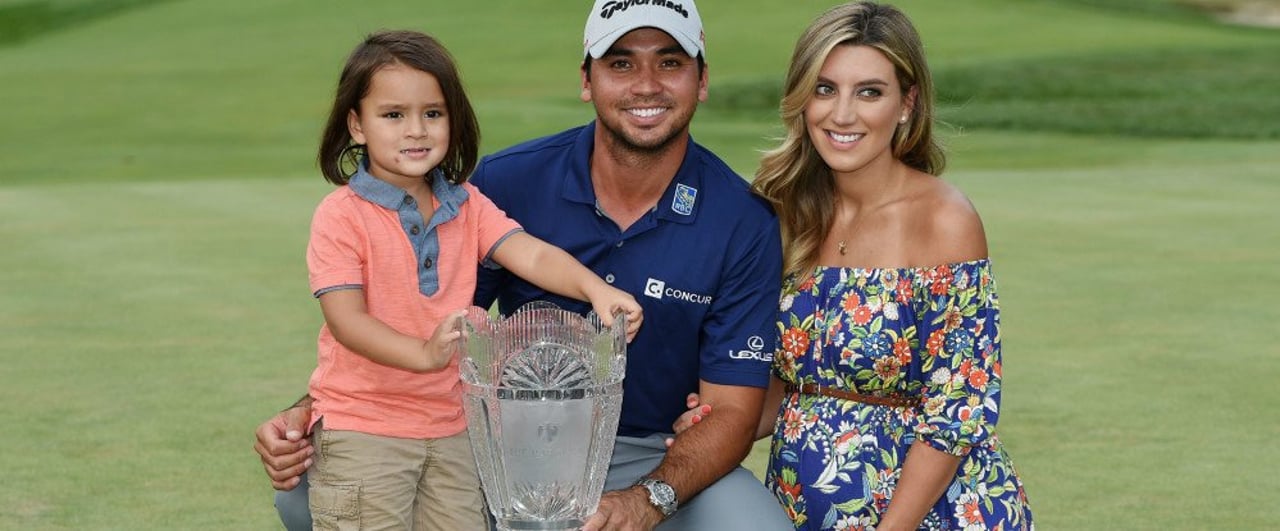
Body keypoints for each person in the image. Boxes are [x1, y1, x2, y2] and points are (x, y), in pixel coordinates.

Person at [256, 2, 793, 530]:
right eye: (621, 63)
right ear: (587, 80)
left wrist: (644, 502)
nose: (646, 83)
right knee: (311, 490)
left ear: (702, 80)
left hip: (652, 453)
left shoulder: (742, 219)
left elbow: (732, 412)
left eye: (670, 62)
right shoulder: (507, 181)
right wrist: (311, 409)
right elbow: (426, 318)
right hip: (510, 445)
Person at [672, 2, 1034, 529]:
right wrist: (717, 423)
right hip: (804, 506)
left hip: (933, 515)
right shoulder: (786, 213)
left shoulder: (944, 220)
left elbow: (957, 412)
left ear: (907, 102)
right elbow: (795, 381)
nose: (842, 114)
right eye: (825, 89)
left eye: (869, 92)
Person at [298, 29, 642, 530]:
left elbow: (531, 254)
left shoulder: (467, 205)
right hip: (365, 429)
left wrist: (596, 289)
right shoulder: (341, 216)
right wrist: (423, 354)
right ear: (357, 124)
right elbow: (347, 321)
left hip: (454, 428)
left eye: (432, 113)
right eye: (393, 115)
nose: (415, 130)